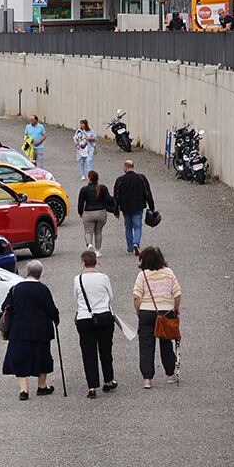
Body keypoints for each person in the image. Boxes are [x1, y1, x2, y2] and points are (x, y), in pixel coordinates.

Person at [1, 260, 59, 400]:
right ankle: (42, 386)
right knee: (42, 357)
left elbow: (5, 306)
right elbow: (51, 309)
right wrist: (56, 318)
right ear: (40, 274)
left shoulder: (16, 288)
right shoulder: (42, 289)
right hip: (40, 330)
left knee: (19, 358)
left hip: (19, 330)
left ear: (27, 272)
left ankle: (24, 391)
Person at [133, 246, 181, 388]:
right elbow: (177, 294)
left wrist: (138, 311)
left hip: (147, 312)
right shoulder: (168, 273)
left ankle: (147, 379)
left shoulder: (143, 275)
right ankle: (170, 375)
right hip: (166, 311)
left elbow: (136, 297)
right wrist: (176, 309)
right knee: (166, 343)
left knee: (146, 345)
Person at [74, 249, 116, 399]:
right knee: (105, 349)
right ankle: (108, 380)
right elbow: (110, 296)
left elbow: (76, 297)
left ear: (83, 263)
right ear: (96, 262)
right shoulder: (103, 278)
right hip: (104, 316)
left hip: (85, 317)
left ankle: (92, 386)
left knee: (88, 352)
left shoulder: (77, 279)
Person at [113, 160, 156, 255]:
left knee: (128, 227)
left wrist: (116, 210)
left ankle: (130, 247)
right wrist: (151, 207)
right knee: (138, 226)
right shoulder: (141, 178)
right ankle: (136, 243)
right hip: (138, 206)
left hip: (125, 207)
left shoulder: (120, 180)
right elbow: (147, 193)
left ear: (125, 167)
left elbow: (116, 196)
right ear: (133, 166)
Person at [76, 170, 114, 254]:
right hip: (101, 212)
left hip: (88, 213)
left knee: (88, 231)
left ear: (89, 178)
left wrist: (80, 212)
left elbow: (81, 203)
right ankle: (97, 250)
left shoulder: (84, 189)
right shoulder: (103, 188)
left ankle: (89, 244)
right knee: (98, 232)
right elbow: (108, 199)